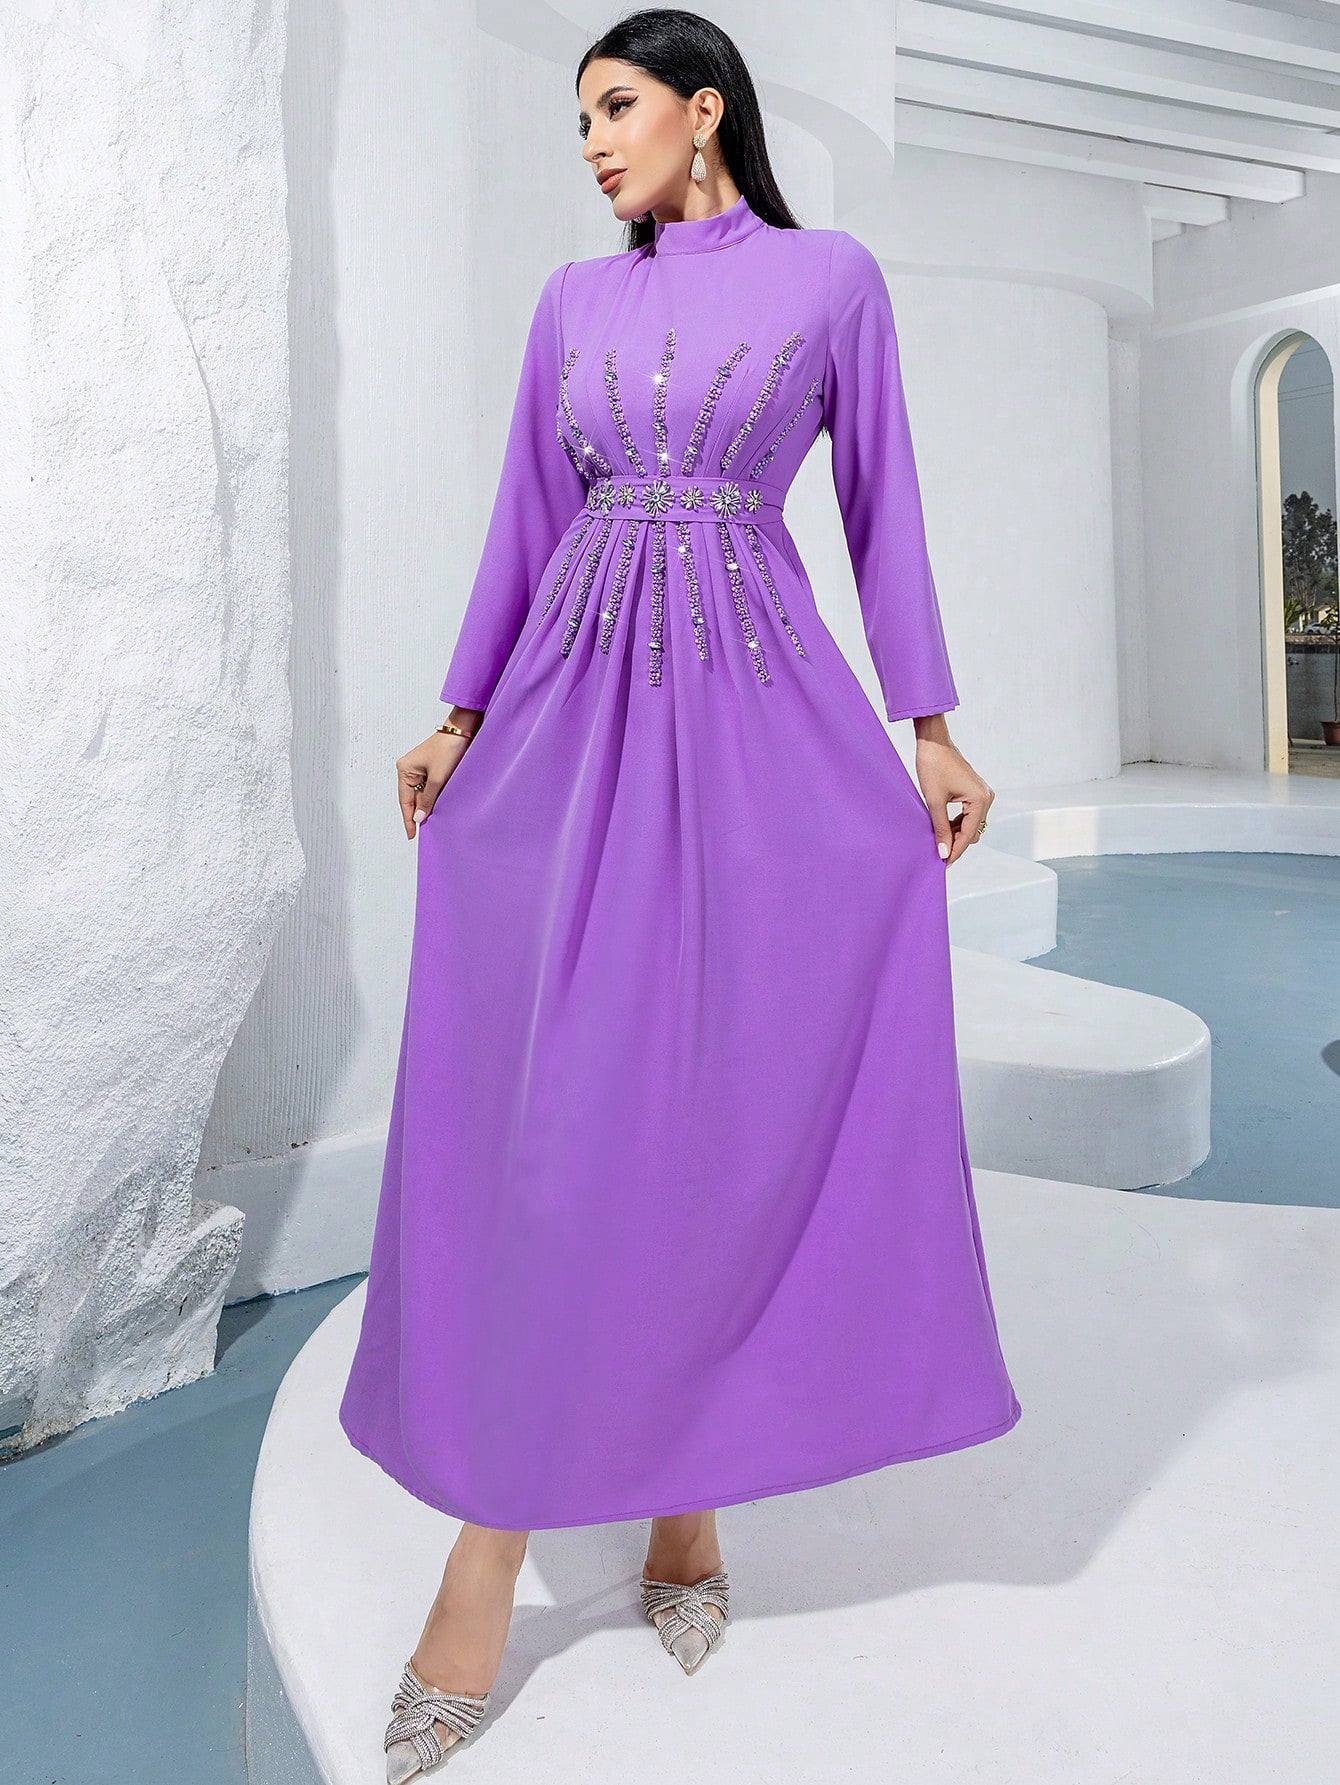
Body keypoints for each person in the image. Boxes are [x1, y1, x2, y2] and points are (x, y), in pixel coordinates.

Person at [338, 11, 1022, 1777]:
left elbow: (881, 506)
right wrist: (458, 714)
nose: (592, 139)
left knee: (719, 1100)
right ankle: (488, 1550)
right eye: (579, 115)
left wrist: (931, 728)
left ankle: (687, 1503)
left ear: (703, 111)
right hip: (573, 721)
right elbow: (524, 515)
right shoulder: (575, 304)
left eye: (617, 105)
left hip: (757, 720)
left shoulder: (830, 280)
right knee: (564, 1118)